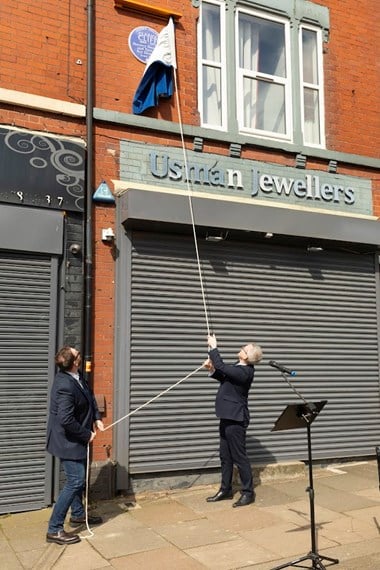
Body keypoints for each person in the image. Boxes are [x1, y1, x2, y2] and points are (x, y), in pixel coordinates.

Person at [46, 347, 105, 545]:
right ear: (75, 362)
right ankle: (54, 529)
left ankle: (78, 514)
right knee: (76, 481)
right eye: (77, 353)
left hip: (77, 438)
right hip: (68, 441)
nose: (80, 352)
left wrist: (96, 419)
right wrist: (86, 434)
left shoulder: (76, 375)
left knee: (77, 479)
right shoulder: (64, 385)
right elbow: (65, 420)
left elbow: (89, 397)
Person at [204, 334, 263, 507]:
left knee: (239, 456)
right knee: (225, 456)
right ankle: (226, 490)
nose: (241, 348)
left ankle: (248, 493)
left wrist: (213, 347)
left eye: (244, 348)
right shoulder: (238, 369)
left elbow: (223, 367)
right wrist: (212, 370)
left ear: (246, 356)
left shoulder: (245, 372)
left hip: (236, 418)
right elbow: (224, 376)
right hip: (227, 416)